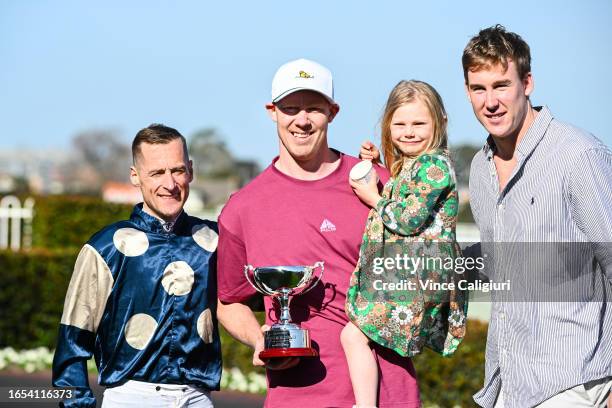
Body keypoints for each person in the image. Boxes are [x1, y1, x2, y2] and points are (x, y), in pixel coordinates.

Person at [216, 58, 421, 407]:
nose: (302, 120)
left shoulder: (377, 183)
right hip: (296, 397)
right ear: (272, 111)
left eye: (314, 108)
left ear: (333, 111)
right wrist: (259, 338)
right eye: (291, 108)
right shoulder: (242, 207)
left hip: (386, 395)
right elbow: (229, 300)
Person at [463, 25, 612, 407]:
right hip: (507, 382)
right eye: (479, 89)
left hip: (574, 381)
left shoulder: (579, 155)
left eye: (501, 85)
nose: (490, 101)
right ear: (467, 91)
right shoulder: (480, 168)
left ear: (526, 83)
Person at [52, 124, 222, 407]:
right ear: (135, 176)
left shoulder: (216, 240)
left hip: (198, 398)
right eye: (157, 172)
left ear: (190, 170)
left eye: (177, 170)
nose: (170, 183)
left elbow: (250, 300)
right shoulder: (105, 246)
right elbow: (73, 340)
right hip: (131, 397)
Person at [341, 80, 468, 407]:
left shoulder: (435, 166)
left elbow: (409, 218)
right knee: (356, 335)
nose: (409, 131)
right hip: (408, 276)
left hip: (416, 278)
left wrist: (373, 197)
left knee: (352, 334)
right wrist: (379, 160)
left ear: (438, 123)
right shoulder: (417, 165)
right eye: (400, 124)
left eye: (419, 123)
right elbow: (408, 190)